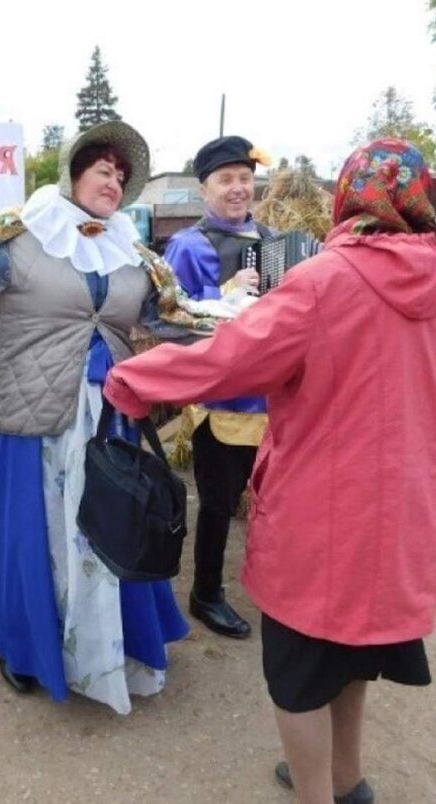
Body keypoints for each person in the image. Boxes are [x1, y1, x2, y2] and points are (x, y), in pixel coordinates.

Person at [103, 140, 436, 803]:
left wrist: (132, 378)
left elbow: (227, 360)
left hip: (321, 522)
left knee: (297, 675)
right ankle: (347, 781)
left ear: (348, 198)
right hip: (406, 519)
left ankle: (317, 793)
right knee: (355, 656)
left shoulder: (322, 283)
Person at [0, 121, 189, 715]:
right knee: (35, 536)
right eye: (102, 169)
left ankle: (116, 647)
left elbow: (173, 319)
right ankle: (28, 651)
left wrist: (251, 323)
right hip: (36, 415)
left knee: (114, 528)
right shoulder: (17, 237)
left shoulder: (133, 256)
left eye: (121, 176)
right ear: (72, 172)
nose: (113, 181)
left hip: (108, 417)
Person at [160, 135, 275, 639]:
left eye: (245, 179)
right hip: (222, 398)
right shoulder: (187, 245)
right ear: (203, 188)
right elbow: (171, 317)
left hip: (274, 396)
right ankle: (205, 592)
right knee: (217, 503)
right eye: (225, 180)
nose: (237, 189)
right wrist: (223, 299)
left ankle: (272, 583)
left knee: (275, 500)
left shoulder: (275, 240)